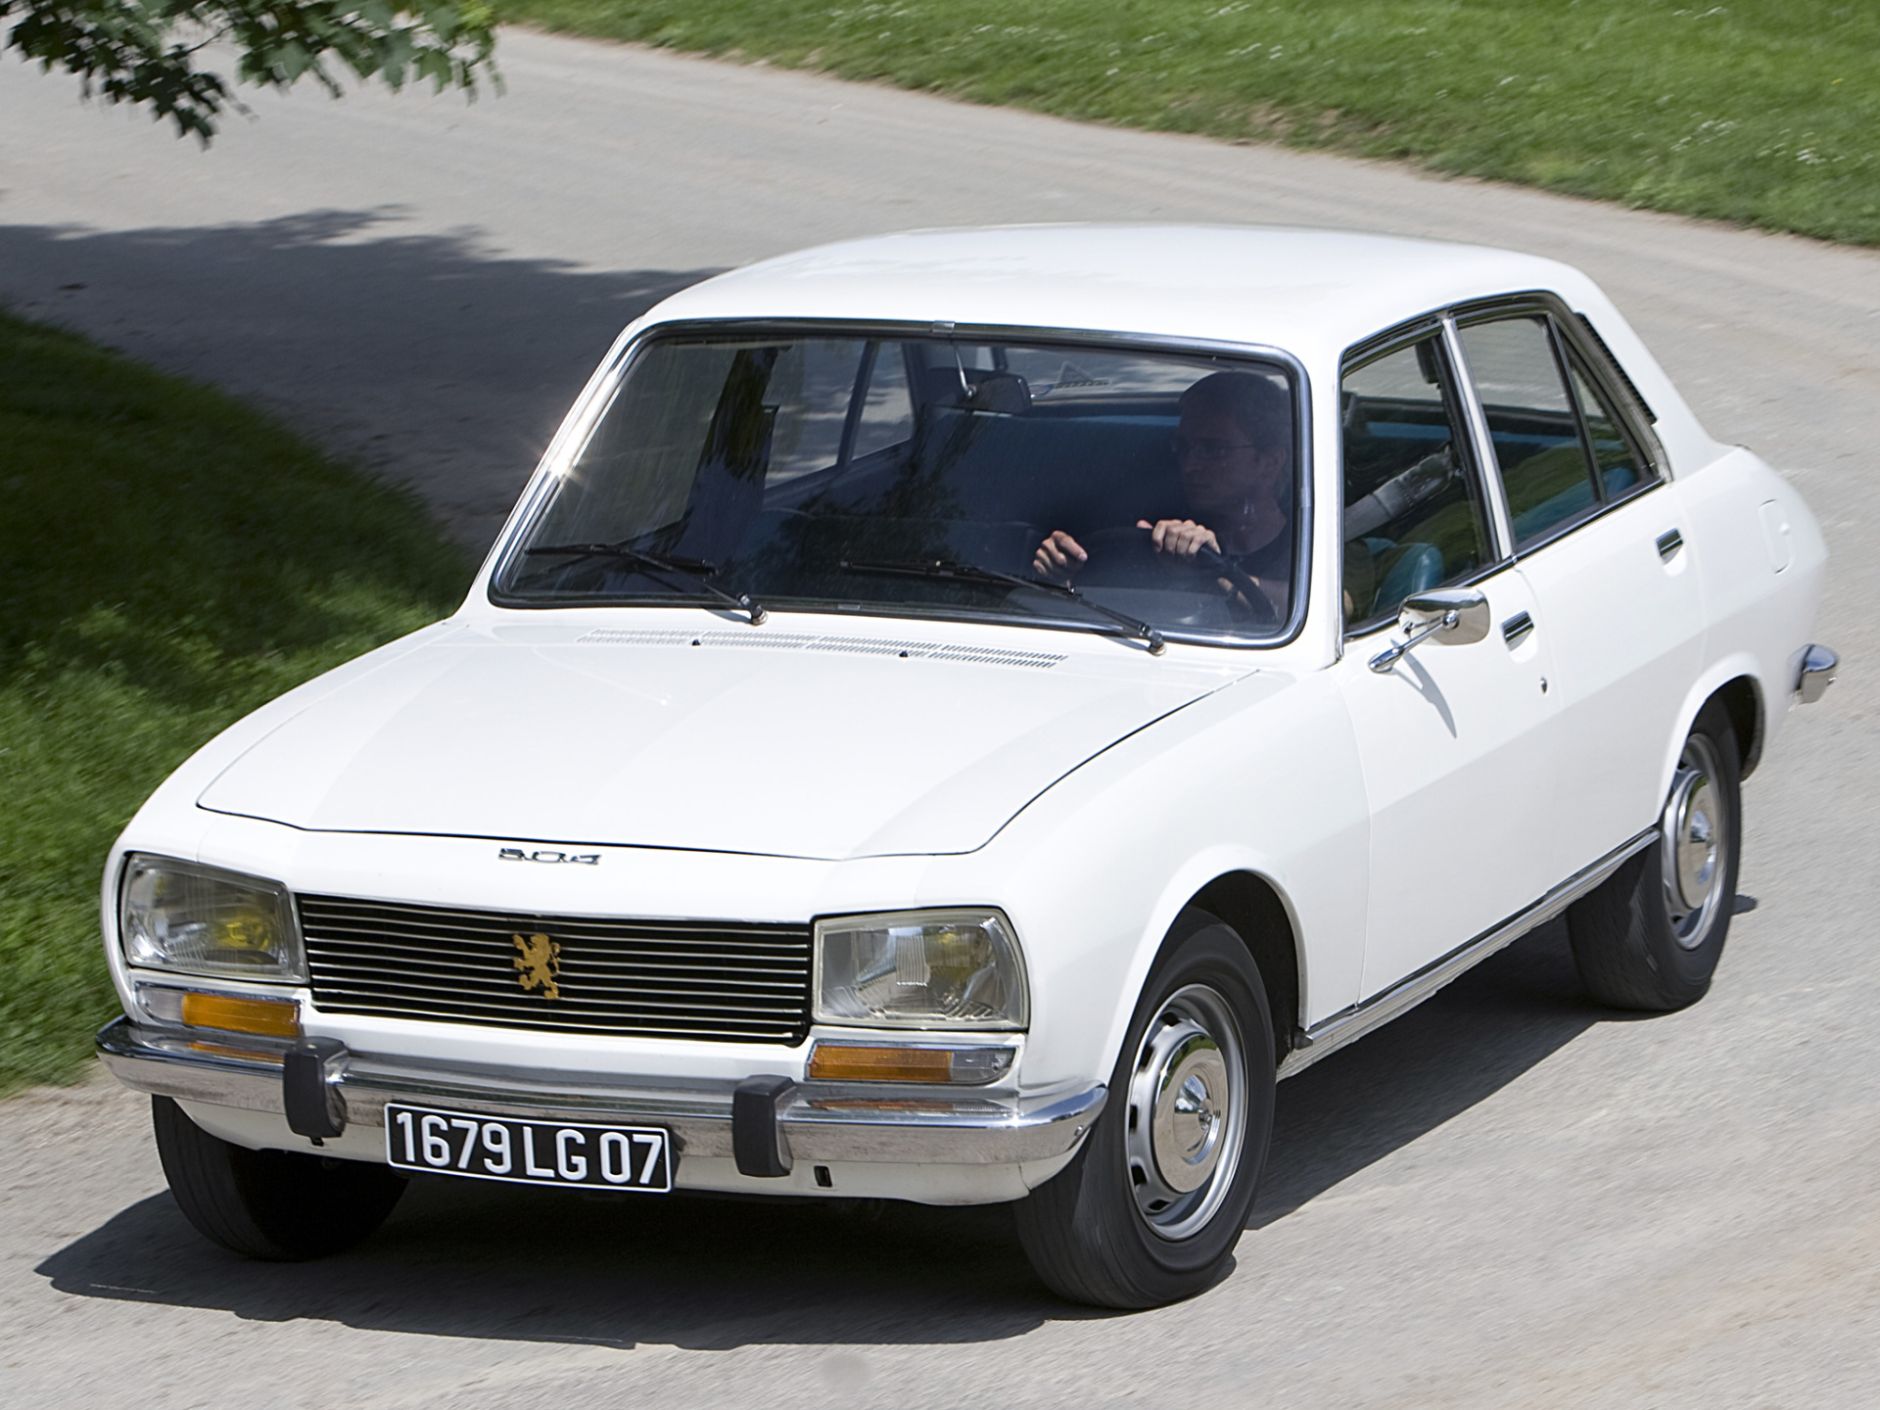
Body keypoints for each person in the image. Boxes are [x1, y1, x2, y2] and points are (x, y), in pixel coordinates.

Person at [1032, 370, 1292, 615]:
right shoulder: (1150, 530)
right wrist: (1059, 577)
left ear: (1269, 462)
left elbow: (1308, 614)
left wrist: (1211, 571)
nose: (1190, 465)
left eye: (1213, 449)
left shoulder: (1308, 545)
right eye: (1183, 446)